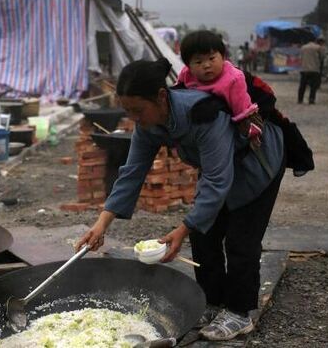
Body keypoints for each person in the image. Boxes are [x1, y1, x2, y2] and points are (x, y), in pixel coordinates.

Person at [75, 58, 286, 341]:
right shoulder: (148, 124)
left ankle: (239, 312)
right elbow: (132, 172)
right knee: (204, 235)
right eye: (128, 111)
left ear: (161, 97)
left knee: (240, 241)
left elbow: (216, 182)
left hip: (256, 167)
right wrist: (101, 223)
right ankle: (212, 303)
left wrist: (182, 229)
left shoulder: (204, 114)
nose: (134, 118)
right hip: (218, 169)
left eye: (138, 110)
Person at [176, 30, 262, 146]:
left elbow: (241, 108)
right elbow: (178, 90)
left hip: (239, 116)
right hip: (199, 121)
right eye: (198, 61)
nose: (206, 65)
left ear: (223, 57)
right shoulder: (187, 73)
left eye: (212, 59)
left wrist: (249, 132)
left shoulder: (233, 79)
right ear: (188, 65)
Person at [298, 38, 327, 104]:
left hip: (304, 69)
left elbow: (300, 57)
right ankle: (311, 99)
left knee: (302, 85)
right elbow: (322, 57)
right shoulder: (318, 47)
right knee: (313, 86)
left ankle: (300, 99)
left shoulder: (303, 47)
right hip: (314, 69)